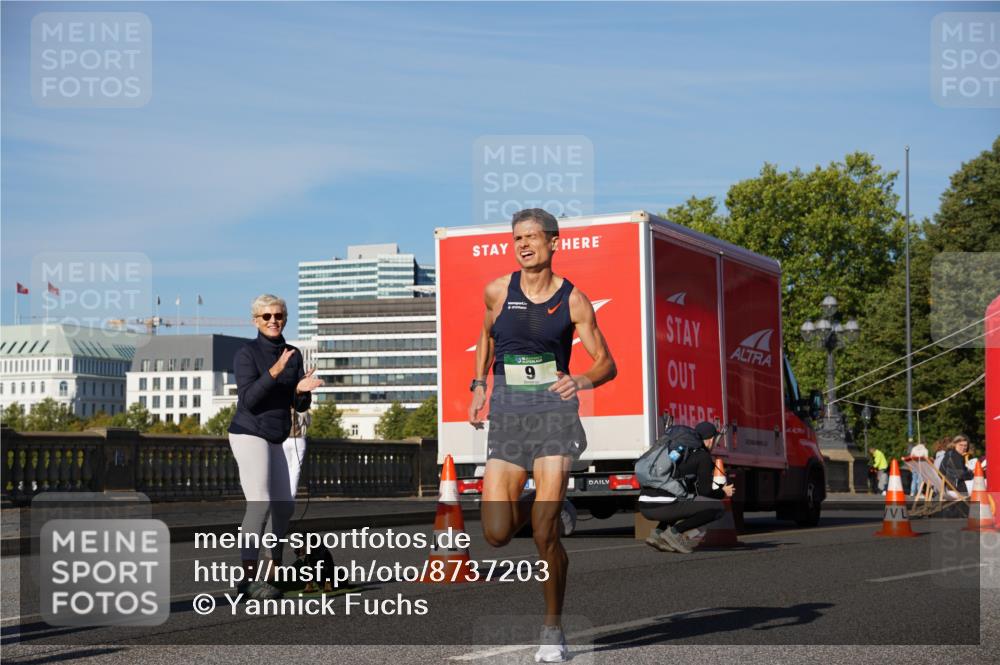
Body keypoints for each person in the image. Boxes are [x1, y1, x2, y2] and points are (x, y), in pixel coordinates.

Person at [468, 208, 617, 663]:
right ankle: (543, 506)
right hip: (509, 417)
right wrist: (479, 385)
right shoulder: (497, 290)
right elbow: (487, 337)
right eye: (517, 238)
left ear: (554, 243)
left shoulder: (573, 300)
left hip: (554, 416)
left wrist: (583, 380)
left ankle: (553, 630)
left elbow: (607, 363)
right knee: (495, 533)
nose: (524, 244)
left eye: (533, 237)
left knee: (544, 534)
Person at [228, 294, 324, 599]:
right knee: (260, 503)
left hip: (278, 434)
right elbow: (249, 400)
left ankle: (271, 573)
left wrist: (301, 391)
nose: (273, 321)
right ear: (256, 321)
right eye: (266, 316)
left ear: (285, 318)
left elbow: (298, 404)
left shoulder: (293, 354)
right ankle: (247, 579)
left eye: (279, 315)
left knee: (284, 506)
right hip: (248, 432)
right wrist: (274, 372)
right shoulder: (247, 353)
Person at [638, 421, 735, 553]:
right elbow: (704, 491)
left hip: (644, 505)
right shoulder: (702, 456)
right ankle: (675, 533)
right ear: (711, 439)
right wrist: (722, 492)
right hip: (662, 506)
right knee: (717, 508)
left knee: (684, 499)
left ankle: (658, 533)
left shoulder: (679, 451)